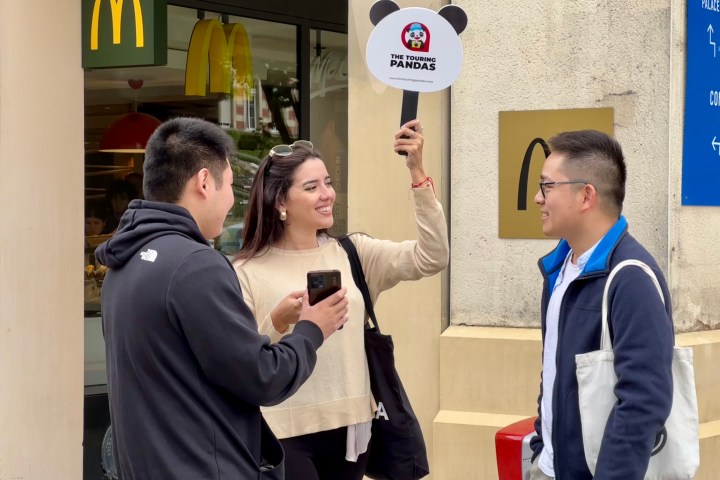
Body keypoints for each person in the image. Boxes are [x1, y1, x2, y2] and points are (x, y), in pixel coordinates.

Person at [94, 117, 349, 479]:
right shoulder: (195, 266)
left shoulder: (123, 262)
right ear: (203, 182)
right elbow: (263, 377)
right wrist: (311, 329)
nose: (232, 201)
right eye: (229, 185)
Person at [233, 119, 449, 480]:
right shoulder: (244, 270)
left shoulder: (353, 253)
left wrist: (418, 174)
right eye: (312, 187)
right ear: (280, 201)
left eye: (328, 183)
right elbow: (240, 359)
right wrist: (278, 321)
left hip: (352, 425)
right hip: (280, 429)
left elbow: (433, 256)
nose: (327, 194)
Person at [527, 130, 674, 479]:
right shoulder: (558, 271)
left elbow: (643, 401)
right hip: (548, 467)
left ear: (586, 196)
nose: (537, 198)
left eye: (548, 186)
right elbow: (555, 376)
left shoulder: (630, 277)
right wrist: (540, 449)